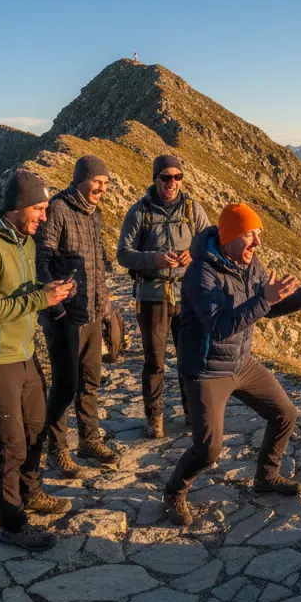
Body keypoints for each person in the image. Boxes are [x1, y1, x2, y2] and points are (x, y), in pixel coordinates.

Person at [163, 203, 301, 526]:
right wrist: (264, 300)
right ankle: (174, 492)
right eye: (250, 235)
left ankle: (266, 476)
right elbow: (219, 326)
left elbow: (269, 307)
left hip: (241, 362)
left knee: (285, 413)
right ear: (230, 235)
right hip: (205, 369)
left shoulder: (249, 264)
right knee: (208, 449)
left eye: (258, 236)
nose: (257, 244)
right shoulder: (201, 274)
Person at [0, 170, 76, 551]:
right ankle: (12, 526)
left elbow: (21, 293)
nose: (44, 217)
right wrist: (40, 299)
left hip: (23, 353)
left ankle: (32, 493)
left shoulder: (24, 241)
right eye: (40, 209)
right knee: (10, 446)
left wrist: (50, 293)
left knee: (36, 429)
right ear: (19, 207)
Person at [35, 155, 119, 477]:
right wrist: (54, 306)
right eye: (97, 181)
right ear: (81, 179)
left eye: (105, 183)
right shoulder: (58, 209)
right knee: (65, 386)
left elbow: (97, 263)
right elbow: (43, 259)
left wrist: (106, 307)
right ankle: (57, 452)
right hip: (66, 316)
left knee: (90, 382)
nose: (102, 188)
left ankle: (89, 440)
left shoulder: (92, 214)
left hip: (92, 314)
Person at [116, 154, 211, 438]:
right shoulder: (139, 212)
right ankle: (154, 417)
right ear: (155, 178)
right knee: (154, 360)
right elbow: (123, 254)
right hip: (152, 296)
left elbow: (209, 244)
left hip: (188, 295)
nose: (172, 182)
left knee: (188, 357)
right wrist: (155, 259)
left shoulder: (193, 209)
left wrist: (192, 255)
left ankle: (192, 412)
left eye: (177, 177)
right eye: (166, 177)